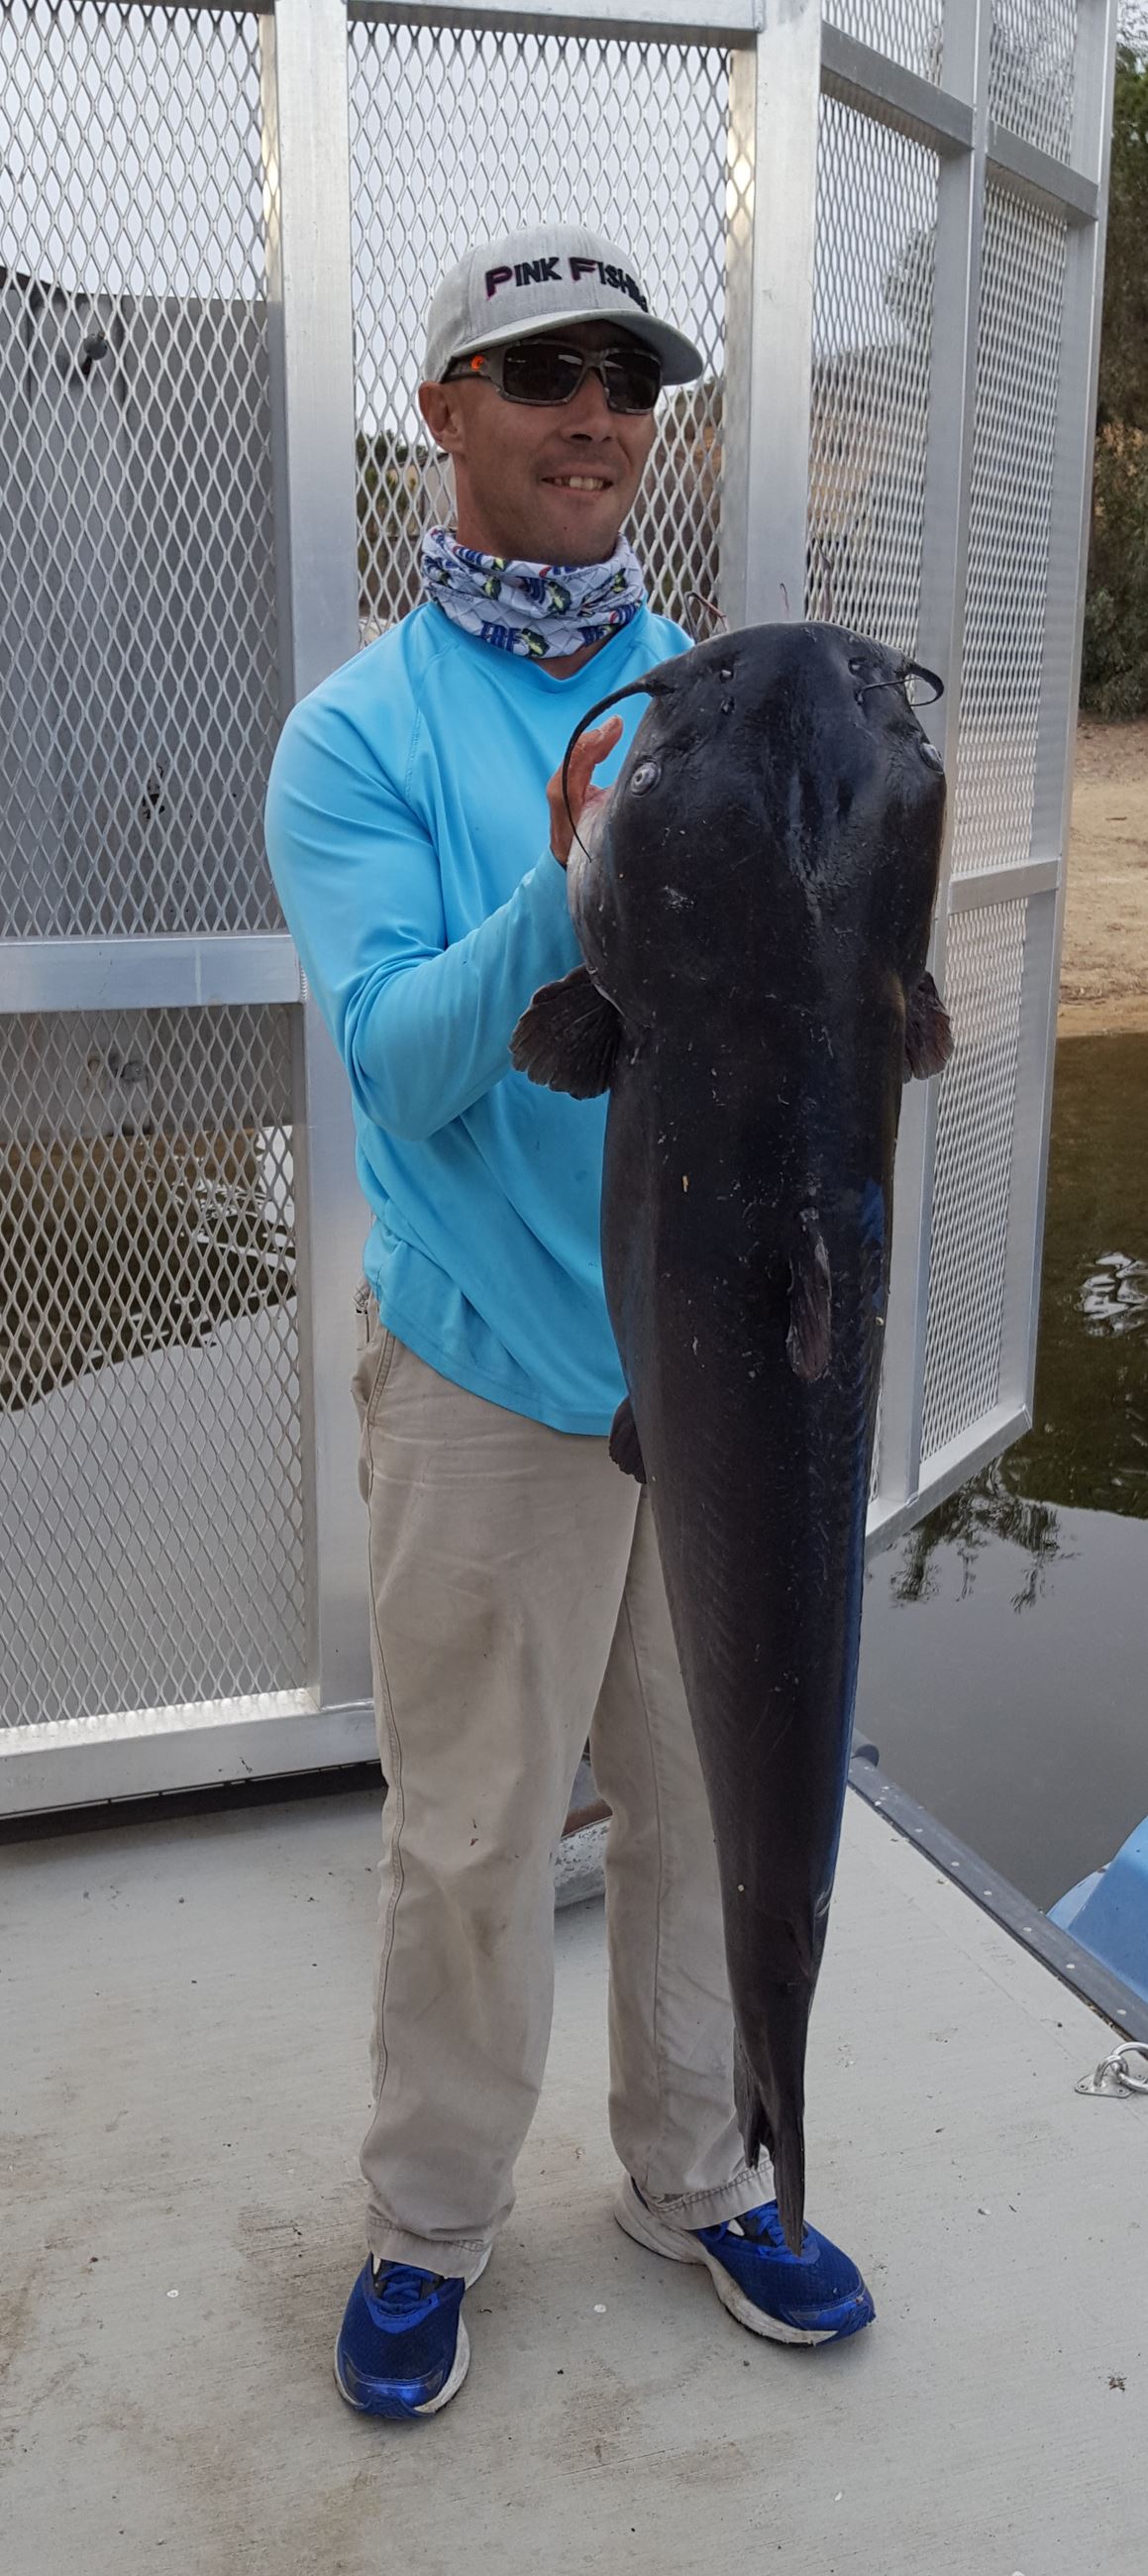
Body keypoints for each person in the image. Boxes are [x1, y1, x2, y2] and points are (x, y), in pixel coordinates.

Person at [264, 224, 874, 2421]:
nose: (593, 412)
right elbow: (401, 1060)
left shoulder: (726, 699)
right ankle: (432, 2219)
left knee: (713, 1809)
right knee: (474, 1835)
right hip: (483, 1374)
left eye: (626, 375)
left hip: (715, 1386)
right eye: (538, 373)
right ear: (444, 412)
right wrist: (575, 875)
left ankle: (702, 2174)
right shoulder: (356, 737)